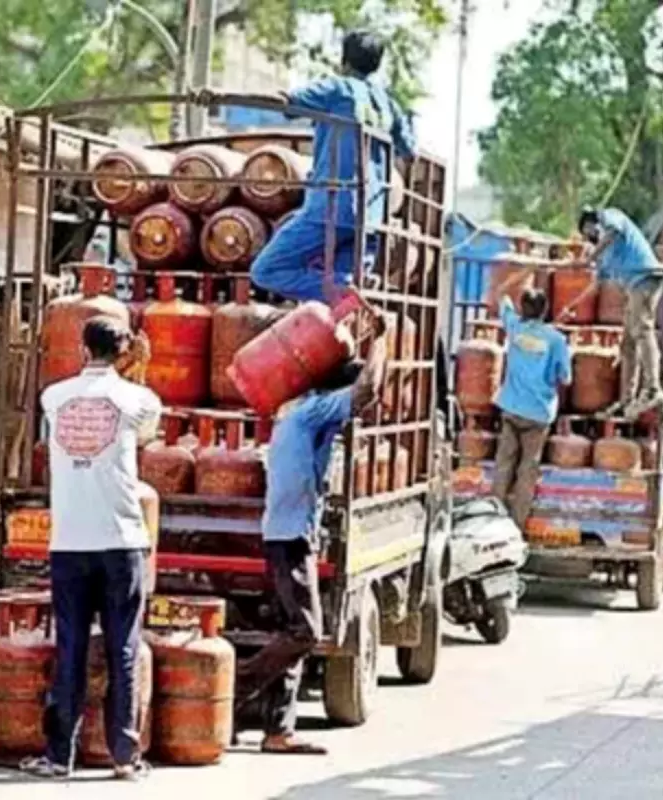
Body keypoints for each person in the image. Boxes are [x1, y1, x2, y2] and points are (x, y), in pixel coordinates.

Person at [235, 312, 389, 754]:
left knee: (291, 632)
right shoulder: (313, 410)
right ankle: (235, 691)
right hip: (288, 539)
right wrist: (382, 340)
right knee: (305, 631)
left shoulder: (300, 413)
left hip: (290, 534)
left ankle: (278, 730)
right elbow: (368, 391)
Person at [21, 316, 161, 780]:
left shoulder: (53, 397)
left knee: (71, 646)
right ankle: (125, 755)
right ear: (124, 352)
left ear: (83, 349)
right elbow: (144, 435)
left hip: (70, 542)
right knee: (123, 648)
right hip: (123, 541)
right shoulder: (140, 399)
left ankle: (60, 756)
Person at [249, 29, 417, 303]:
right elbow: (409, 152)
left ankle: (340, 293)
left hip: (329, 208)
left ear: (345, 60)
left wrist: (224, 96)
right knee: (342, 282)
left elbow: (285, 101)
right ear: (377, 64)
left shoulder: (338, 89)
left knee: (266, 270)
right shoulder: (388, 104)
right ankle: (344, 292)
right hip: (370, 216)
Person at [493, 289, 572, 531]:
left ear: (523, 308)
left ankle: (493, 519)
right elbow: (566, 378)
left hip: (511, 407)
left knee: (504, 464)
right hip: (538, 413)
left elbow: (503, 304)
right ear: (545, 311)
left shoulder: (515, 327)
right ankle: (516, 527)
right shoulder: (557, 340)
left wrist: (510, 289)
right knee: (528, 468)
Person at [578, 206, 663, 418]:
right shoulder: (606, 254)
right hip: (633, 287)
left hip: (645, 278)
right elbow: (595, 285)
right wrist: (570, 306)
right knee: (627, 345)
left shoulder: (611, 216)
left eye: (588, 232)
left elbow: (614, 232)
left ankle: (653, 388)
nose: (590, 238)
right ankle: (627, 399)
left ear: (592, 223)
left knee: (642, 329)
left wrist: (590, 258)